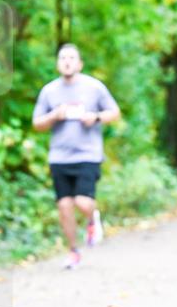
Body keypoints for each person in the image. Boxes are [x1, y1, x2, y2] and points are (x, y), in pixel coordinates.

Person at [32, 43, 121, 270]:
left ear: (80, 63)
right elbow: (37, 123)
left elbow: (115, 112)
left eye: (72, 58)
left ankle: (93, 218)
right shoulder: (49, 91)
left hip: (87, 154)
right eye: (63, 58)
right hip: (59, 157)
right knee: (64, 206)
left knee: (82, 201)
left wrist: (96, 117)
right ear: (58, 63)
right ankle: (73, 251)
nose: (67, 61)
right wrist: (54, 115)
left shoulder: (94, 87)